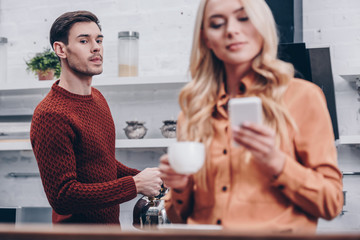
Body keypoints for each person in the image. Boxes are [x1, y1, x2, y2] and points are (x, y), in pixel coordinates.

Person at [159, 0, 343, 233]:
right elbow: (178, 219)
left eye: (244, 18)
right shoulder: (193, 114)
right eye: (217, 24)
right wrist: (180, 188)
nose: (231, 30)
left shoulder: (303, 97)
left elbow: (332, 203)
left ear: (262, 24)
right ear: (206, 39)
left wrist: (277, 162)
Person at [30, 11, 162, 225]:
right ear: (60, 49)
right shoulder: (50, 115)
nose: (96, 47)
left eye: (99, 40)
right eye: (84, 40)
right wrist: (135, 184)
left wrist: (148, 178)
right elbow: (63, 196)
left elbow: (101, 165)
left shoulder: (98, 99)